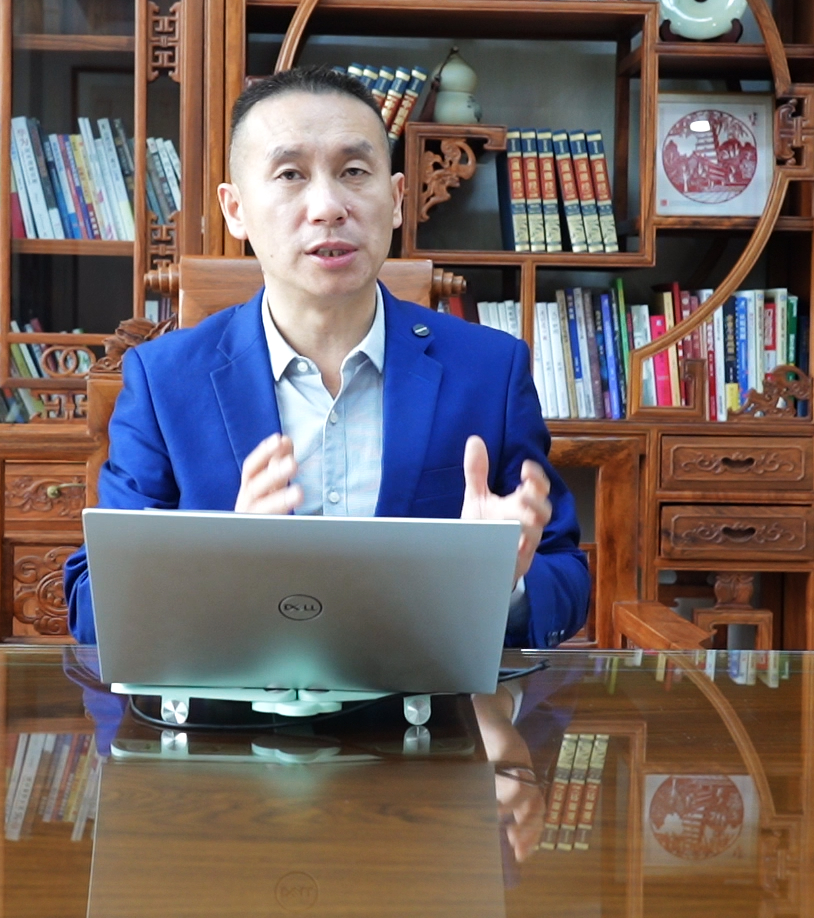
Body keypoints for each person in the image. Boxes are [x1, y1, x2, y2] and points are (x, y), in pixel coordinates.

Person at [62, 64, 591, 648]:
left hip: (428, 697)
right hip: (235, 700)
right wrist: (221, 563)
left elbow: (564, 575)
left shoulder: (490, 371)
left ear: (396, 199)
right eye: (290, 174)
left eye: (354, 172)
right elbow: (92, 605)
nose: (328, 207)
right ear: (236, 209)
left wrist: (502, 581)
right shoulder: (164, 381)